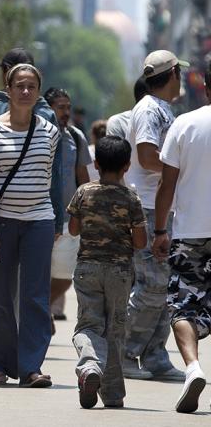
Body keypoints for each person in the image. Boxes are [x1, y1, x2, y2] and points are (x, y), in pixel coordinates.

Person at [0, 64, 60, 387]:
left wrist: (56, 222)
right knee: (0, 294)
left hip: (39, 220)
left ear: (38, 93)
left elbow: (48, 178)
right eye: (19, 86)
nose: (25, 92)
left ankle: (30, 367)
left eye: (31, 87)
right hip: (2, 224)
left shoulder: (50, 132)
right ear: (7, 90)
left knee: (36, 296)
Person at [123, 50, 188, 381]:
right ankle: (123, 352)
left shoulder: (166, 110)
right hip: (147, 208)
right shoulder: (149, 109)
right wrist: (182, 168)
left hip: (165, 206)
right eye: (180, 74)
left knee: (167, 288)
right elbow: (147, 157)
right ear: (173, 73)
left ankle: (155, 355)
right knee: (152, 285)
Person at [68, 135, 147, 409]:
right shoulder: (131, 198)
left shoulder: (83, 192)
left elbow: (73, 229)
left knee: (88, 326)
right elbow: (140, 242)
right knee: (115, 330)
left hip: (87, 267)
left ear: (96, 164)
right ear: (126, 166)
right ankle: (112, 394)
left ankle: (89, 366)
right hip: (120, 271)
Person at [151, 62, 211, 413]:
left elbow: (166, 184)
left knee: (183, 308)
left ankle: (193, 368)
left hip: (190, 235)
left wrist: (160, 230)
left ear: (204, 85)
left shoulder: (184, 124)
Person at [0, 48, 63, 229]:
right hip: (39, 216)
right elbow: (55, 173)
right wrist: (56, 217)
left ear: (7, 71)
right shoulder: (48, 114)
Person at [44, 87, 92, 328]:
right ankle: (34, 314)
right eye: (60, 107)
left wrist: (87, 213)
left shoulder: (75, 136)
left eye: (68, 107)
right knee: (36, 273)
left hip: (68, 220)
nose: (65, 112)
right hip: (39, 217)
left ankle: (41, 308)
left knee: (65, 276)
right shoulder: (35, 134)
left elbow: (83, 177)